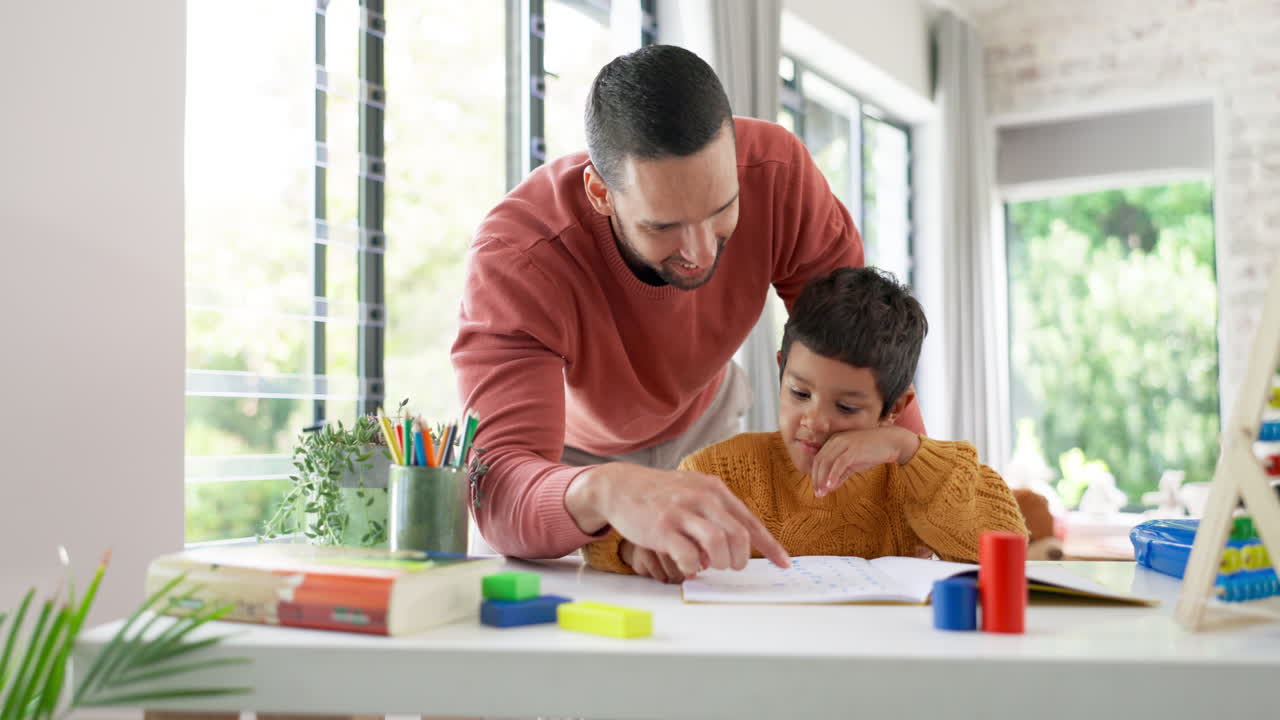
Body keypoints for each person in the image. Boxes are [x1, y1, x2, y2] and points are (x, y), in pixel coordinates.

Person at [451, 45, 925, 578]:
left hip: (708, 417)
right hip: (571, 460)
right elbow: (498, 489)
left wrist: (913, 476)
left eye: (723, 211)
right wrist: (606, 488)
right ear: (600, 193)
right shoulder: (518, 257)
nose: (699, 253)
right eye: (663, 226)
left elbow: (865, 347)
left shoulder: (778, 173)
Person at [584, 267, 1028, 581]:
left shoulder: (907, 479)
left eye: (847, 408)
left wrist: (908, 448)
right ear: (780, 370)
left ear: (894, 407)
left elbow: (1010, 545)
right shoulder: (726, 471)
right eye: (799, 394)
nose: (814, 422)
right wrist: (630, 549)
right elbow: (610, 529)